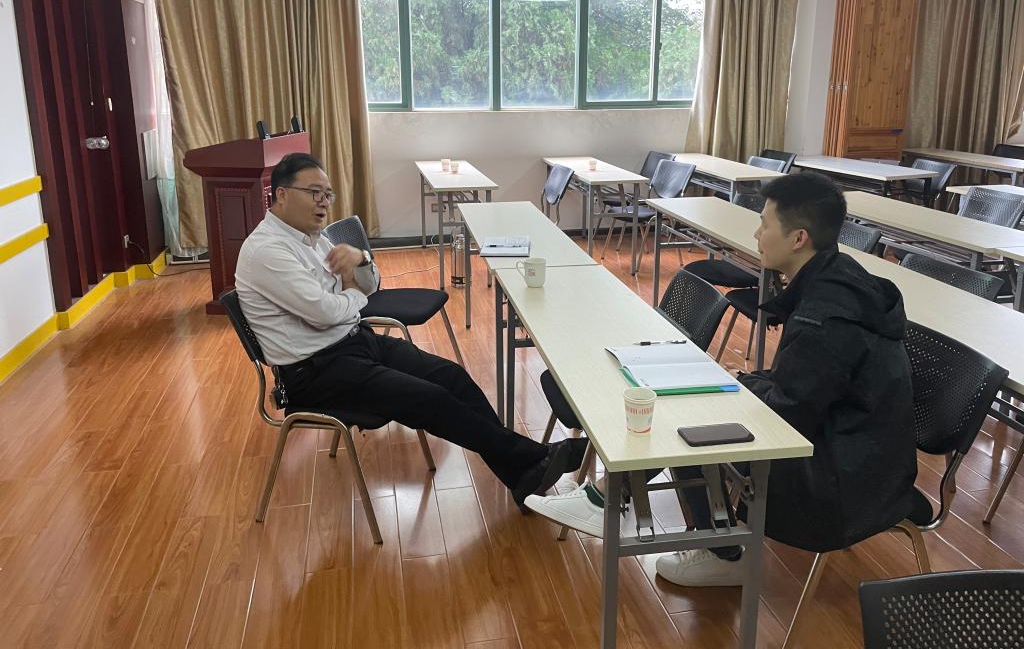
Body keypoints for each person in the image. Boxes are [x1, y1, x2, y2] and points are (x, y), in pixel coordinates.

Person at [526, 172, 918, 587]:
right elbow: (805, 387)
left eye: (765, 224)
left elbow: (790, 410)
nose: (757, 234)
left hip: (846, 475)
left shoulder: (827, 314)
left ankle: (722, 553)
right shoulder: (834, 278)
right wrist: (745, 382)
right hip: (853, 448)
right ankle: (610, 498)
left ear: (798, 238)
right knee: (701, 397)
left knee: (696, 418)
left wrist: (742, 384)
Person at [235, 153, 585, 505]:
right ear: (282, 195)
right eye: (315, 193)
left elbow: (370, 285)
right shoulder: (267, 251)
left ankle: (524, 472)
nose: (324, 202)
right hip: (315, 373)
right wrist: (352, 291)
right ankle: (533, 461)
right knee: (431, 399)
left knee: (451, 377)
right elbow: (326, 312)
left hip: (354, 343)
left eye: (328, 194)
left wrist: (361, 259)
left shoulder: (313, 237)